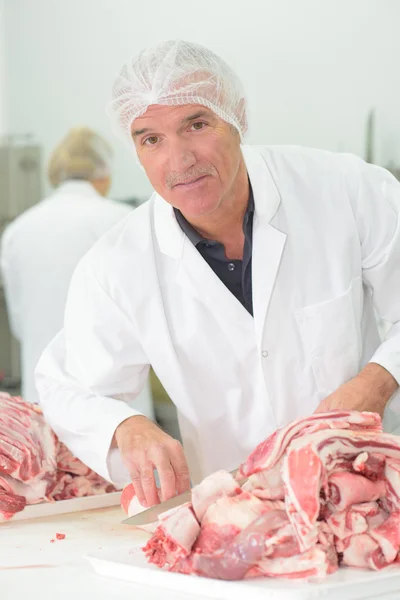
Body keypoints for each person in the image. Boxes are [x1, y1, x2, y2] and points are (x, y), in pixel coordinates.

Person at [36, 40, 400, 509]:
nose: (179, 159)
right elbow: (67, 383)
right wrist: (127, 427)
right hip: (234, 519)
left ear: (237, 118)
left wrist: (378, 378)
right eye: (151, 139)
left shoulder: (347, 191)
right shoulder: (117, 263)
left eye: (197, 124)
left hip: (364, 494)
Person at [1, 126, 152, 420]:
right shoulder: (121, 219)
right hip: (115, 400)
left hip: (45, 396)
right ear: (104, 173)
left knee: (47, 463)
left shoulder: (18, 230)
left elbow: (19, 323)